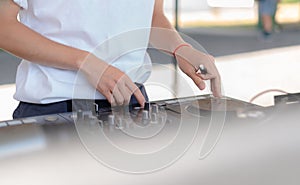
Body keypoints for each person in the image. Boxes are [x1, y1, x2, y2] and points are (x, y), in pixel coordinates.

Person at [0, 0, 221, 119]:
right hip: (54, 108)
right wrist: (85, 62)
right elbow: (3, 26)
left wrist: (181, 48)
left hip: (133, 104)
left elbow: (152, 15)